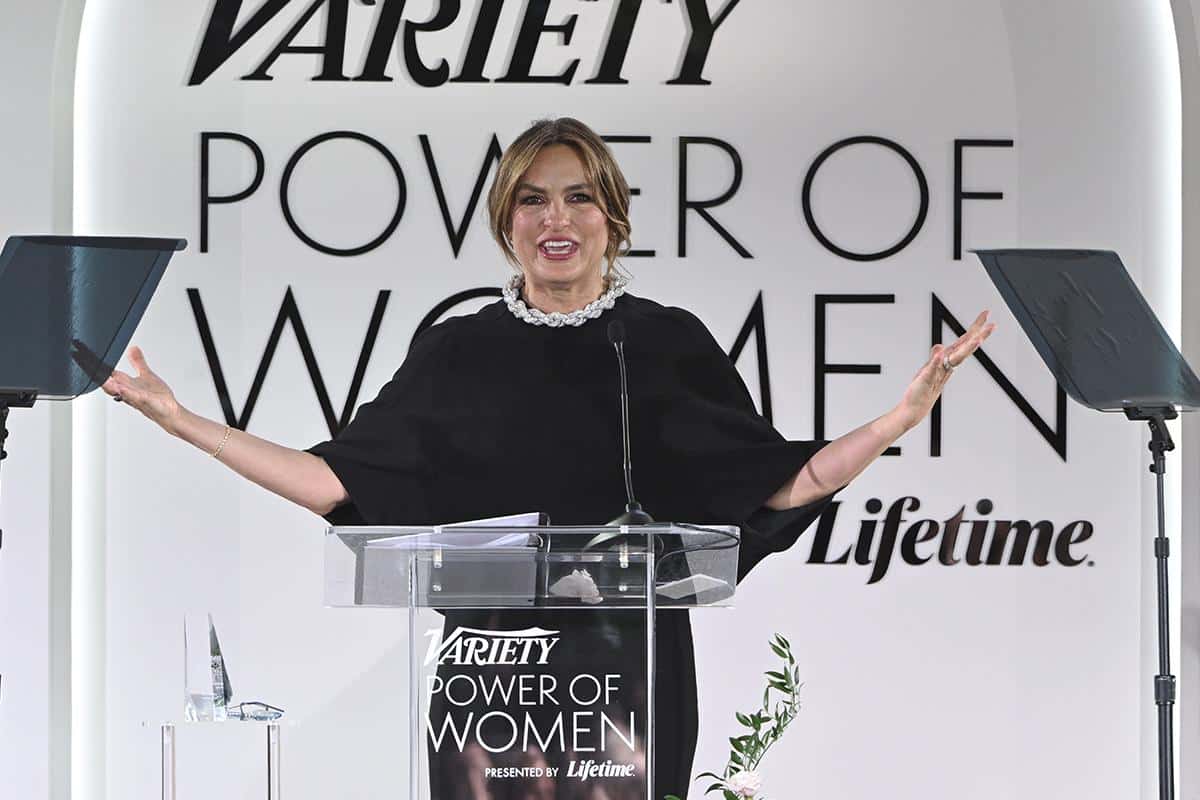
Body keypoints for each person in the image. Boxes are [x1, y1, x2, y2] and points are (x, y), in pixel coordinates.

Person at [103, 117, 993, 799]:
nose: (555, 218)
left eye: (577, 197)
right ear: (506, 223)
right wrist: (182, 420)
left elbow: (777, 483)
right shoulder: (458, 351)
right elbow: (338, 482)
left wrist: (894, 420)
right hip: (490, 682)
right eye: (532, 198)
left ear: (613, 218)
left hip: (627, 684)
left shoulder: (668, 344)